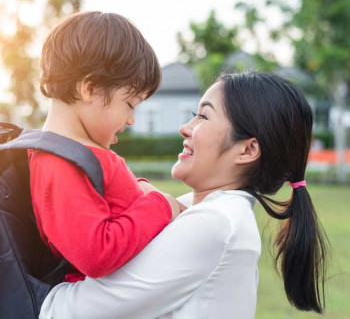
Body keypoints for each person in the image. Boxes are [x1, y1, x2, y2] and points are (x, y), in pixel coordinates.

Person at [40, 73, 328, 319]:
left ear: (247, 150)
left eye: (203, 116)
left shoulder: (217, 222)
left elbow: (73, 312)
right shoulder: (199, 209)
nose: (185, 127)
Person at [29, 11, 184, 283]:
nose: (131, 120)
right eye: (130, 104)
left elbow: (111, 200)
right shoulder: (60, 162)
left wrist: (142, 190)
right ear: (90, 89)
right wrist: (160, 206)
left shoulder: (81, 155)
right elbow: (96, 254)